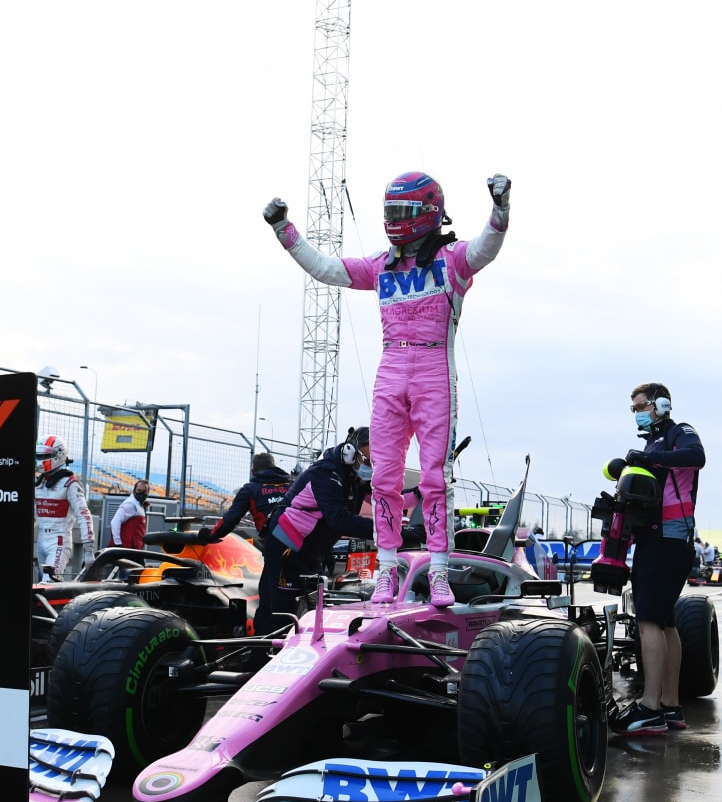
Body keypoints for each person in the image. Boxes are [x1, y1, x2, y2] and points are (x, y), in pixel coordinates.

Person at [264, 171, 512, 607]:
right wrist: (285, 231)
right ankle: (386, 569)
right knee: (383, 478)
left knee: (436, 477)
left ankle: (438, 572)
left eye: (403, 212)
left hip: (435, 370)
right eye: (390, 212)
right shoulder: (382, 265)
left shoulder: (452, 260)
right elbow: (327, 269)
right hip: (391, 370)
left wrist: (500, 209)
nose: (394, 220)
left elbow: (485, 247)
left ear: (428, 213)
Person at [610, 383, 706, 736]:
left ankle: (650, 707)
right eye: (632, 406)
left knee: (648, 620)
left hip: (668, 540)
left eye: (642, 405)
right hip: (658, 539)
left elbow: (697, 457)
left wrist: (650, 457)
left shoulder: (680, 433)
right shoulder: (653, 443)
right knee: (665, 623)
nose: (637, 411)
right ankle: (669, 705)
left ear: (662, 404)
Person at [254, 428, 391, 636]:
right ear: (349, 451)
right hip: (287, 549)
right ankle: (264, 661)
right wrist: (390, 531)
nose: (369, 468)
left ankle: (272, 658)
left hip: (309, 551)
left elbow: (390, 496)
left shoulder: (353, 477)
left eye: (375, 464)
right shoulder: (324, 474)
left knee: (303, 611)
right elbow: (340, 520)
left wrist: (419, 493)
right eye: (368, 461)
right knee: (282, 615)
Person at [201, 450, 295, 548]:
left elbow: (230, 519)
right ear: (275, 467)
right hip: (304, 541)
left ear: (253, 472)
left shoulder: (249, 490)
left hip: (276, 544)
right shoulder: (293, 485)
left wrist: (210, 535)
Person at [35, 435, 94, 581]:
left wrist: (89, 551)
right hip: (41, 539)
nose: (41, 459)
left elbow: (84, 515)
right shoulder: (38, 483)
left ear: (59, 455)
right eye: (38, 456)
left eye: (45, 455)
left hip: (59, 540)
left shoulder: (70, 483)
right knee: (41, 586)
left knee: (47, 584)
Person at [109, 479, 151, 550]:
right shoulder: (130, 504)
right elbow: (115, 522)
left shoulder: (139, 505)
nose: (141, 493)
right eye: (139, 490)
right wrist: (118, 544)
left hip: (133, 548)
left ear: (148, 492)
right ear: (134, 490)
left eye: (144, 491)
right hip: (127, 548)